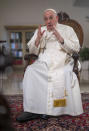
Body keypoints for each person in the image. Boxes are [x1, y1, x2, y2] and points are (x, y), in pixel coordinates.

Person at [16, 9, 83, 122]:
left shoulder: (68, 29)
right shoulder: (41, 30)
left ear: (56, 18)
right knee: (31, 71)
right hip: (44, 60)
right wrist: (37, 39)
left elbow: (75, 48)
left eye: (51, 17)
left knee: (62, 74)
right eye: (46, 19)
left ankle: (55, 110)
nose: (48, 21)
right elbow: (32, 50)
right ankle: (31, 109)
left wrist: (60, 37)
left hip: (63, 60)